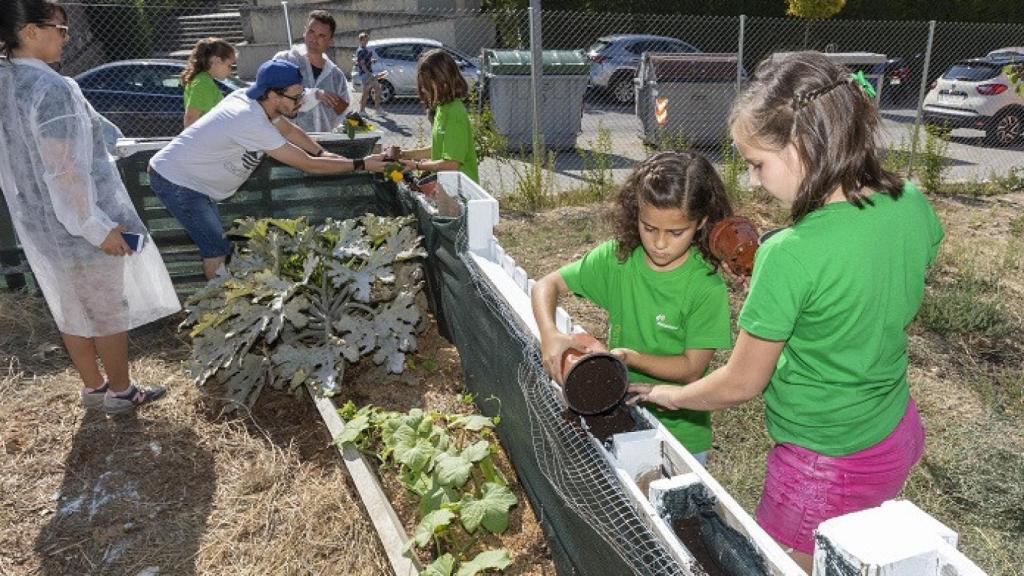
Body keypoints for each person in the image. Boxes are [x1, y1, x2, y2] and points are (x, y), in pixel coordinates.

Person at [627, 51, 944, 571]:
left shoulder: (790, 253)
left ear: (803, 145)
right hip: (893, 428)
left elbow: (741, 382)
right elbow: (877, 275)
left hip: (824, 460)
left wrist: (669, 393)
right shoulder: (910, 201)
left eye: (757, 164)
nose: (752, 182)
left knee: (780, 564)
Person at [0, 0, 181, 415]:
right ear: (29, 32)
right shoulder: (50, 89)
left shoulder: (9, 80)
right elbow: (63, 171)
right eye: (59, 30)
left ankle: (93, 387)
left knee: (70, 307)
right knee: (105, 309)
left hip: (38, 221)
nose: (66, 37)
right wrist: (97, 227)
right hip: (78, 222)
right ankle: (120, 392)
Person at [531, 151, 734, 464]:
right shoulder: (619, 259)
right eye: (649, 227)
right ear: (634, 213)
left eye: (675, 232)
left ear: (701, 223)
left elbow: (692, 367)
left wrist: (630, 358)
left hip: (680, 438)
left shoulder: (705, 286)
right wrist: (549, 334)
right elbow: (547, 285)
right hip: (617, 421)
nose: (659, 243)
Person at [148, 59, 388, 279]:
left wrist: (321, 152)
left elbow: (291, 132)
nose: (301, 102)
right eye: (295, 97)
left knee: (218, 245)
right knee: (216, 250)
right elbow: (308, 165)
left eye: (301, 94)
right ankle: (219, 308)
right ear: (273, 94)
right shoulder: (249, 119)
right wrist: (362, 164)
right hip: (176, 180)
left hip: (191, 179)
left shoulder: (257, 101)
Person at [397, 49, 478, 183]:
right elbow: (439, 149)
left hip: (462, 191)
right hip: (448, 186)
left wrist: (417, 166)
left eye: (426, 84)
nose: (423, 89)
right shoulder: (442, 107)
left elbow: (451, 164)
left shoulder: (454, 113)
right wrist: (405, 154)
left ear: (442, 81)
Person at [273, 10, 351, 132]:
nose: (314, 38)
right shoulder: (285, 60)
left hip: (324, 143)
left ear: (330, 40)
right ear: (304, 31)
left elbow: (343, 111)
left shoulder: (336, 76)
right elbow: (273, 97)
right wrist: (315, 95)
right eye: (311, 31)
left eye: (321, 35)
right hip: (286, 141)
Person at [182, 37, 236, 128]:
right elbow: (191, 118)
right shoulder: (203, 83)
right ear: (217, 61)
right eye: (229, 65)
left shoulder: (203, 79)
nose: (230, 70)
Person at [354, 31, 382, 117]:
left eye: (367, 40)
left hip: (368, 73)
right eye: (365, 40)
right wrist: (369, 74)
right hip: (366, 74)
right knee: (366, 92)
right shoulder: (361, 51)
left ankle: (377, 109)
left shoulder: (365, 49)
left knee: (377, 88)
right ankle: (362, 111)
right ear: (361, 40)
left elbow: (365, 61)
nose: (366, 42)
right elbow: (362, 65)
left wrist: (371, 61)